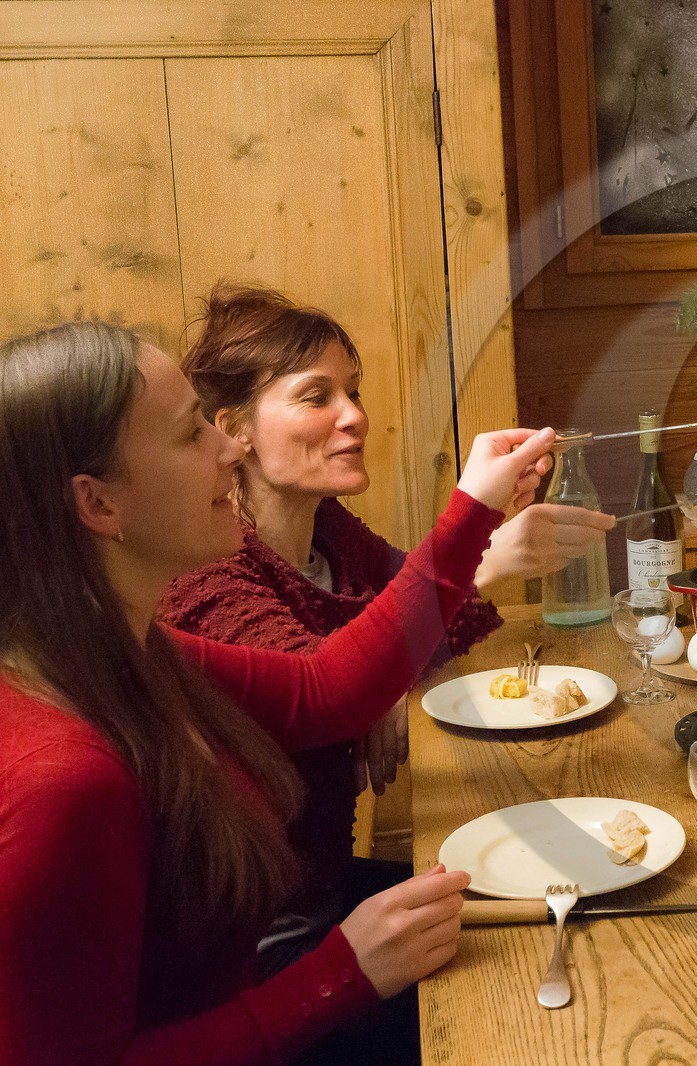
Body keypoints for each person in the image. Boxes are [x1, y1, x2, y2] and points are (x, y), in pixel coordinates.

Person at [0, 320, 554, 1061]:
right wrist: (342, 973)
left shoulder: (126, 650)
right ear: (98, 505)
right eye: (190, 433)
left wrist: (474, 514)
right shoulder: (63, 780)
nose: (229, 449)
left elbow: (327, 690)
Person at [158, 285, 615, 980]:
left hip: (330, 893)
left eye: (354, 391)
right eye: (317, 397)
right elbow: (331, 688)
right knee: (541, 966)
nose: (355, 416)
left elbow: (401, 626)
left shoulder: (329, 533)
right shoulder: (205, 579)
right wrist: (480, 543)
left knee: (585, 901)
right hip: (256, 952)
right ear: (236, 430)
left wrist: (485, 553)